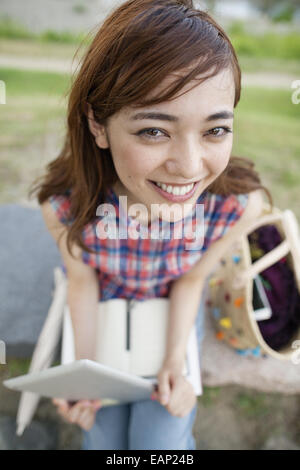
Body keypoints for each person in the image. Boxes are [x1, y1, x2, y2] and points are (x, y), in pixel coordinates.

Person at [29, 0, 272, 450]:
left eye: (214, 130)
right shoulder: (66, 208)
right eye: (154, 131)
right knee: (101, 439)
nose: (189, 166)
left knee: (162, 441)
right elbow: (83, 284)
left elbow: (192, 280)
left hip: (175, 305)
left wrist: (175, 365)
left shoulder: (236, 207)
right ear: (98, 125)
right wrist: (87, 372)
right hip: (106, 305)